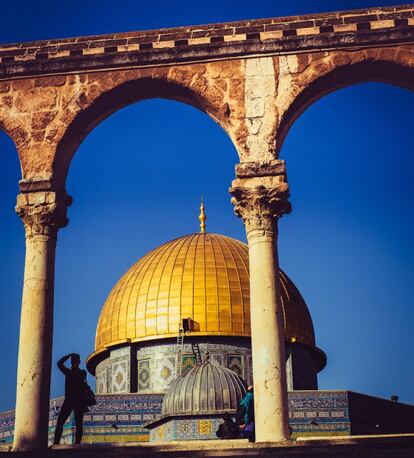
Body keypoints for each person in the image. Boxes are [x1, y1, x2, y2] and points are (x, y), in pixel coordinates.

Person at [53, 353, 88, 445]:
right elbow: (59, 364)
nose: (73, 362)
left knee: (65, 423)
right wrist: (69, 356)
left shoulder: (71, 373)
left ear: (74, 362)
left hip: (71, 401)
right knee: (76, 424)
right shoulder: (81, 373)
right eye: (73, 360)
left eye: (73, 360)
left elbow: (59, 364)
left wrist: (67, 356)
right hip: (76, 402)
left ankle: (57, 443)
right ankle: (75, 443)